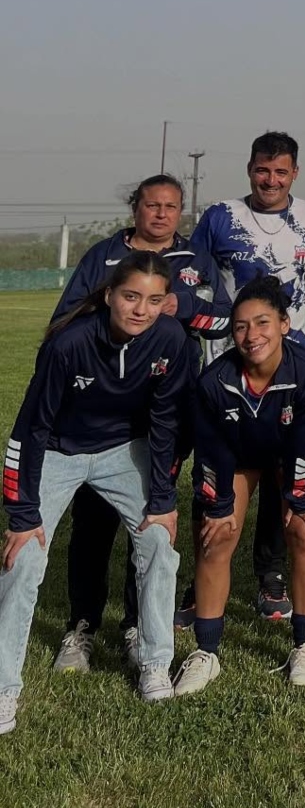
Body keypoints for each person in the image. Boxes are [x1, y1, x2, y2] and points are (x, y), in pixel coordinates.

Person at [0, 252, 192, 732]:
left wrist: (163, 500)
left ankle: (153, 660)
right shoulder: (69, 343)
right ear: (109, 295)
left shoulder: (170, 338)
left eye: (152, 300)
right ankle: (4, 688)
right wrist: (22, 513)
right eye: (130, 296)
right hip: (60, 451)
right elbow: (29, 429)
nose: (140, 310)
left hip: (125, 450)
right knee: (22, 557)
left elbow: (167, 422)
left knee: (157, 542)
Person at [49, 174, 230, 673]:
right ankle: (81, 625)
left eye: (172, 207)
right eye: (152, 205)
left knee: (152, 517)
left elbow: (225, 317)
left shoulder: (194, 261)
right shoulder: (104, 257)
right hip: (100, 414)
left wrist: (180, 307)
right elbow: (65, 318)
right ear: (136, 208)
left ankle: (134, 624)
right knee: (92, 522)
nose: (161, 215)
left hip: (165, 410)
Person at [189, 131, 305, 623]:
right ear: (250, 169)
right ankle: (200, 582)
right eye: (261, 170)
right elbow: (196, 282)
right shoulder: (220, 217)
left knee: (282, 472)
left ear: (295, 173)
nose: (270, 180)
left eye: (280, 172)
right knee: (214, 467)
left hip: (290, 366)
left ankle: (269, 575)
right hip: (225, 364)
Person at [173, 277, 305, 694]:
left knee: (304, 530)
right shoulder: (213, 380)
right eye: (241, 326)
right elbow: (211, 452)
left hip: (292, 453)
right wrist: (220, 504)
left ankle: (304, 644)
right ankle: (206, 652)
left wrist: (300, 496)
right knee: (216, 537)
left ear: (284, 323)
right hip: (237, 455)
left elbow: (302, 443)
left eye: (262, 323)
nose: (250, 335)